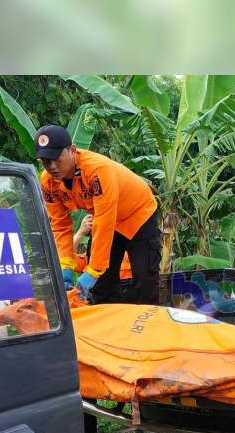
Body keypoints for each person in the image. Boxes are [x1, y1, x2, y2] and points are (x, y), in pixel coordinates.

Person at [35, 124, 160, 304]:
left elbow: (104, 219)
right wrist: (65, 264)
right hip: (107, 219)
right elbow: (60, 225)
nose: (52, 166)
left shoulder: (96, 170)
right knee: (103, 285)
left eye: (56, 158)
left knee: (144, 278)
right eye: (46, 161)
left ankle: (149, 326)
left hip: (138, 213)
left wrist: (93, 269)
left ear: (72, 150)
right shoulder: (48, 182)